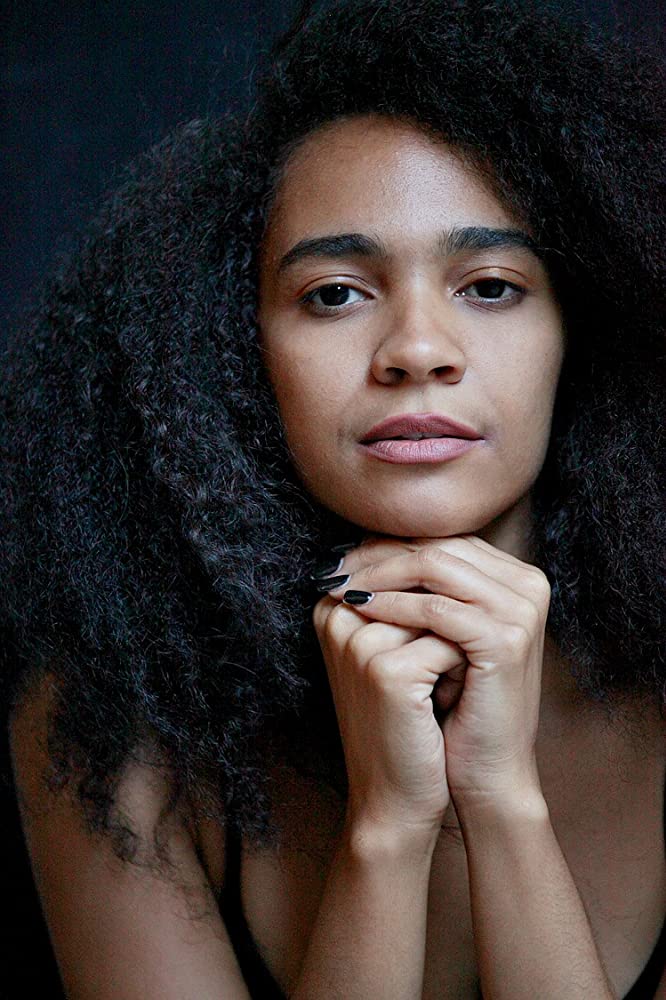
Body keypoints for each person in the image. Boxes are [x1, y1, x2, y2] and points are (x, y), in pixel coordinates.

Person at [1, 0, 664, 996]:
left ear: (583, 332)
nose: (418, 350)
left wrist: (501, 801)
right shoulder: (109, 707)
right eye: (335, 294)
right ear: (232, 351)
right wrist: (386, 826)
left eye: (490, 285)